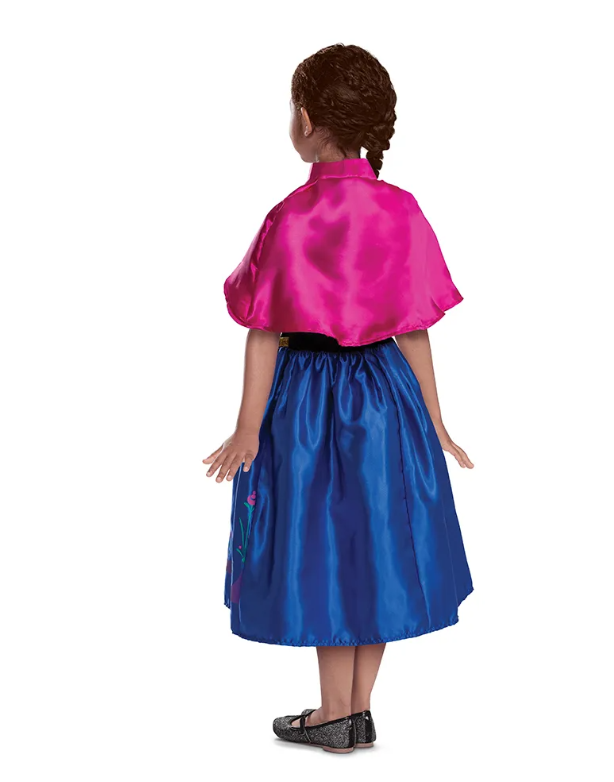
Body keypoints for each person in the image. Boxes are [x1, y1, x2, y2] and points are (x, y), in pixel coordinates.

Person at [204, 43, 475, 753]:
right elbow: (414, 329)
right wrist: (435, 420)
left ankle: (334, 714)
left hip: (308, 402)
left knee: (327, 545)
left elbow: (264, 331)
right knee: (374, 543)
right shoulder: (401, 209)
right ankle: (354, 709)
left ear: (305, 119)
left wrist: (248, 429)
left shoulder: (291, 216)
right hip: (387, 396)